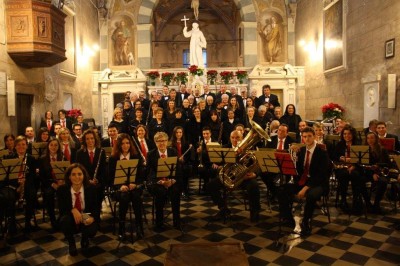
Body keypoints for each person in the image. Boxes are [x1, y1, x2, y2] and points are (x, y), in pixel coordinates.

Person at [278, 127, 331, 236]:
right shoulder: (301, 151)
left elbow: (322, 175)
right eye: (304, 137)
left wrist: (305, 188)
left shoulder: (322, 153)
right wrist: (294, 161)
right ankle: (288, 218)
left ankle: (306, 221)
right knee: (282, 189)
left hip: (319, 184)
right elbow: (298, 172)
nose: (307, 139)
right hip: (303, 181)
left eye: (309, 136)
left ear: (314, 137)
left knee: (311, 195)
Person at [206, 130, 261, 222]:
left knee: (254, 186)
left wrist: (254, 174)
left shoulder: (248, 149)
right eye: (233, 138)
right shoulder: (224, 148)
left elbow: (258, 165)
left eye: (237, 137)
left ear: (242, 138)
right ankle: (223, 209)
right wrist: (219, 167)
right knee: (210, 186)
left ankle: (255, 212)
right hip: (228, 177)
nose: (235, 140)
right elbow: (216, 164)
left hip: (244, 178)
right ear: (230, 138)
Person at [108, 133, 145, 239]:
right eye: (123, 143)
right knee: (124, 197)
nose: (125, 145)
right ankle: (121, 227)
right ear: (119, 145)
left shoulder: (136, 156)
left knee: (136, 197)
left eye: (128, 143)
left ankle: (139, 226)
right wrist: (120, 187)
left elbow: (141, 175)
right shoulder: (113, 159)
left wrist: (135, 184)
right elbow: (110, 178)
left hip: (134, 187)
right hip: (119, 188)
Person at [57, 164, 99, 256]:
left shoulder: (91, 188)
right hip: (70, 217)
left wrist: (92, 218)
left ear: (84, 176)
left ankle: (85, 237)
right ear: (69, 176)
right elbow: (61, 209)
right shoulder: (62, 189)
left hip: (86, 216)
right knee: (64, 221)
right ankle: (71, 243)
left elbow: (96, 208)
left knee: (92, 230)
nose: (77, 177)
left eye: (80, 174)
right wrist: (72, 209)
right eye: (73, 174)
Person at [146, 132, 181, 232]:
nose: (162, 143)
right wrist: (160, 182)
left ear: (167, 142)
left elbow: (178, 169)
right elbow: (149, 173)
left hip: (171, 181)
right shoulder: (151, 154)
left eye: (164, 141)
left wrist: (172, 180)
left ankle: (176, 221)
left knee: (175, 191)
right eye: (159, 141)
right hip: (157, 183)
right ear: (155, 142)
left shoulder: (173, 151)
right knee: (160, 192)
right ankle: (159, 223)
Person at [5, 136, 38, 233]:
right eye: (18, 145)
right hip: (13, 185)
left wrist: (24, 183)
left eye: (23, 144)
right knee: (9, 197)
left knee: (31, 194)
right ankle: (12, 222)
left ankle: (28, 220)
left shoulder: (31, 158)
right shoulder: (9, 157)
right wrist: (17, 185)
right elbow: (7, 176)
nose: (21, 147)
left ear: (27, 146)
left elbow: (32, 176)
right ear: (15, 147)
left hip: (26, 183)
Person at [75, 129, 107, 221]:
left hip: (98, 182)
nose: (90, 141)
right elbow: (79, 170)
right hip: (84, 182)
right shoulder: (80, 153)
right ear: (84, 141)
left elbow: (103, 170)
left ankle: (96, 217)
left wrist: (98, 180)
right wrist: (87, 180)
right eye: (87, 139)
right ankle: (89, 218)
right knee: (89, 192)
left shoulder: (101, 151)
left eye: (92, 138)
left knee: (98, 191)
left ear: (95, 139)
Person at [332, 125, 362, 213]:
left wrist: (354, 166)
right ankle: (343, 200)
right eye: (344, 134)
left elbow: (362, 159)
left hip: (355, 167)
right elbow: (334, 157)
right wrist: (340, 158)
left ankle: (356, 200)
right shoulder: (340, 144)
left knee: (355, 175)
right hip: (342, 167)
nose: (346, 136)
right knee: (343, 175)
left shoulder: (358, 144)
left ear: (353, 135)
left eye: (349, 134)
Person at [39, 138, 66, 229]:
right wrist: (52, 184)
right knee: (49, 194)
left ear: (59, 147)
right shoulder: (42, 159)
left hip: (60, 183)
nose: (54, 147)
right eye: (51, 145)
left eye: (56, 145)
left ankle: (62, 218)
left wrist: (62, 181)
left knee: (64, 193)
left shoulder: (62, 157)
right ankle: (53, 219)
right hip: (48, 184)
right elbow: (42, 177)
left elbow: (66, 172)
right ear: (48, 146)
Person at [170, 126, 192, 198]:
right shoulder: (171, 144)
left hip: (183, 163)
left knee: (185, 169)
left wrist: (184, 159)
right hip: (174, 163)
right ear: (174, 133)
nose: (179, 134)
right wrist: (177, 159)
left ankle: (184, 190)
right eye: (177, 132)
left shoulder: (186, 143)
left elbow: (189, 156)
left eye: (180, 132)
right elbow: (169, 155)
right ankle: (175, 190)